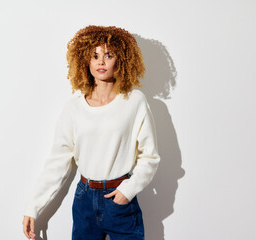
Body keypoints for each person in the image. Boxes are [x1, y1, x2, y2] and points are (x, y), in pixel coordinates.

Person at [22, 25, 160, 240]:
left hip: (120, 198)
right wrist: (33, 207)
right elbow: (57, 162)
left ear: (121, 60)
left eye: (108, 55)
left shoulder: (134, 102)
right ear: (85, 60)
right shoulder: (73, 108)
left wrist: (128, 191)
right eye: (94, 56)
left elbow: (150, 156)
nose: (101, 62)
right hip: (84, 200)